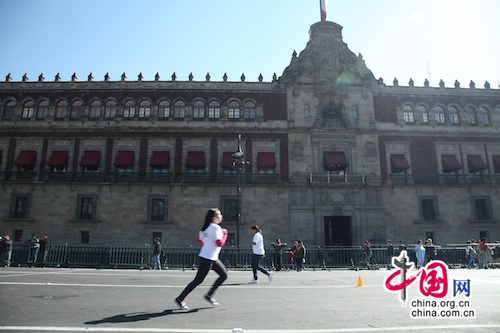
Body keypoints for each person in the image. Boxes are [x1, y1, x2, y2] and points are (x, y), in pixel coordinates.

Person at [174, 208, 228, 310]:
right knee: (198, 280)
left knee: (223, 275)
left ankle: (209, 295)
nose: (221, 217)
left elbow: (200, 240)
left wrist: (208, 245)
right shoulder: (216, 228)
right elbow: (219, 243)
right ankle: (180, 299)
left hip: (209, 256)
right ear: (214, 218)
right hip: (207, 258)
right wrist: (225, 234)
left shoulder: (205, 228)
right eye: (219, 215)